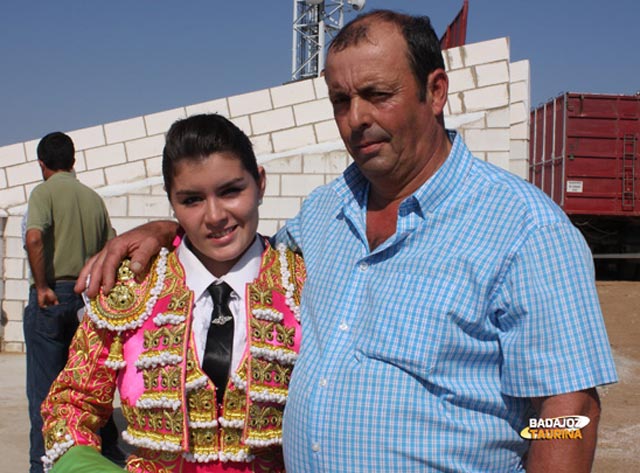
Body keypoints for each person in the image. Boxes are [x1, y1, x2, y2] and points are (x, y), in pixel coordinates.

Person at [76, 10, 618, 472]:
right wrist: (166, 228)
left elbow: (569, 411)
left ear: (435, 91)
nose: (356, 119)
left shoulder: (525, 229)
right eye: (341, 100)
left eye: (378, 96)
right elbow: (230, 246)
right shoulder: (325, 212)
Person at [41, 114, 305, 472]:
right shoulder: (131, 285)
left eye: (230, 191)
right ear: (171, 200)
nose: (214, 216)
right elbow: (71, 404)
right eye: (192, 200)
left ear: (259, 182)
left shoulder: (307, 284)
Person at [23, 131, 124, 473]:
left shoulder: (43, 192)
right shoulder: (93, 199)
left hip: (51, 297)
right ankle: (105, 455)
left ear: (42, 164)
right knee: (89, 388)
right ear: (73, 161)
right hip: (86, 300)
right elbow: (112, 248)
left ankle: (42, 465)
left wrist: (41, 287)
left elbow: (34, 236)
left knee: (44, 390)